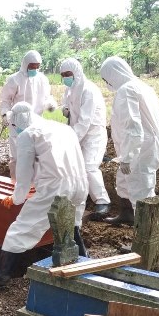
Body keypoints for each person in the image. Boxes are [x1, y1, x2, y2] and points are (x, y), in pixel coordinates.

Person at [0, 102, 89, 286]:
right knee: (71, 223)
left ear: (15, 122)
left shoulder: (28, 135)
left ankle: (2, 273)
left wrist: (16, 198)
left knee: (21, 229)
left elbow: (23, 175)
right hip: (80, 183)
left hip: (55, 187)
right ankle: (83, 258)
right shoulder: (63, 128)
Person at [99, 56, 159, 225]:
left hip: (139, 147)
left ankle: (146, 237)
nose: (107, 83)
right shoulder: (142, 86)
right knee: (124, 182)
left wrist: (128, 157)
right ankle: (127, 215)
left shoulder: (126, 90)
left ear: (113, 74)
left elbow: (133, 127)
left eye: (106, 79)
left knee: (141, 192)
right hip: (147, 144)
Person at [60, 58, 111, 220]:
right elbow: (67, 104)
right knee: (76, 168)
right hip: (78, 134)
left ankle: (103, 201)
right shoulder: (70, 89)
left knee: (89, 167)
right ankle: (81, 197)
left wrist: (70, 139)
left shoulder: (89, 90)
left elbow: (85, 121)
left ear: (77, 72)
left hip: (93, 135)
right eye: (63, 75)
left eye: (68, 74)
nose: (66, 78)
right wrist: (65, 109)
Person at [0, 50, 57, 180]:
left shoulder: (42, 79)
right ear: (25, 64)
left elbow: (48, 96)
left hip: (36, 123)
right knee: (17, 156)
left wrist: (50, 104)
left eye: (37, 66)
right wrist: (4, 114)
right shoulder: (14, 79)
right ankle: (16, 183)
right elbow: (5, 100)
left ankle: (34, 187)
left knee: (36, 154)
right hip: (17, 124)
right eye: (32, 66)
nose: (35, 69)